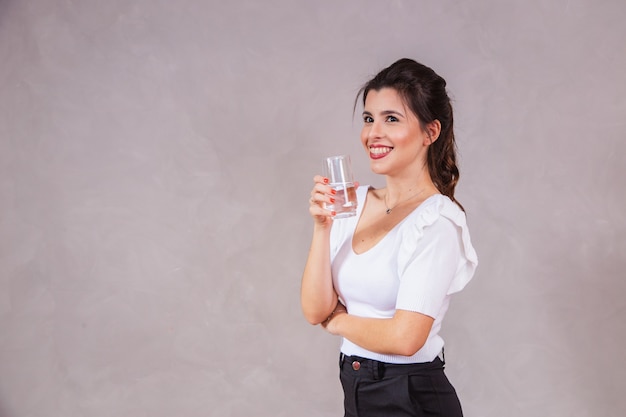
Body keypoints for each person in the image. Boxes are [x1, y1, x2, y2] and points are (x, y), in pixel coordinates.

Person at [301, 58, 478, 417]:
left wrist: (337, 323)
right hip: (357, 389)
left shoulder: (436, 222)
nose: (373, 134)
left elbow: (406, 339)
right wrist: (322, 227)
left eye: (391, 119)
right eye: (369, 119)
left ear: (431, 132)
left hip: (410, 395)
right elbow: (314, 308)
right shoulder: (354, 202)